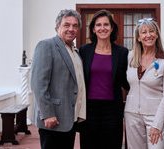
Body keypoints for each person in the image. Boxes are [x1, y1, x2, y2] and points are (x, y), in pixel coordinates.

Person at [31, 9, 86, 149]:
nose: (71, 29)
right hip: (53, 119)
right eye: (66, 25)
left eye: (75, 26)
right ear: (57, 26)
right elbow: (38, 84)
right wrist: (47, 114)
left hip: (69, 119)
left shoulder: (75, 52)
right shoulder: (46, 46)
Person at [79, 9, 130, 149]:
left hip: (113, 111)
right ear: (94, 29)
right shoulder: (84, 51)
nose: (102, 28)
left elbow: (127, 81)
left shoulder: (122, 53)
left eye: (106, 24)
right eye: (98, 25)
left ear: (112, 28)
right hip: (89, 110)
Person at [125, 18, 164, 149]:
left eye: (152, 31)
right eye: (144, 32)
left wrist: (157, 124)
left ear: (157, 35)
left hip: (155, 115)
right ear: (138, 38)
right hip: (132, 114)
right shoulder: (130, 57)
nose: (148, 35)